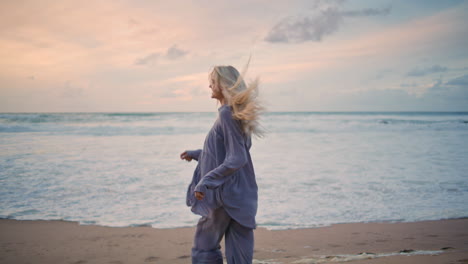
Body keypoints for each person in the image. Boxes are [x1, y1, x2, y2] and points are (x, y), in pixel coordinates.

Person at [180, 64, 263, 264]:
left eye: (213, 81)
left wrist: (206, 181)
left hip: (224, 196)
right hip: (242, 195)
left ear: (222, 85)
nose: (209, 86)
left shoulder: (226, 113)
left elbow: (237, 158)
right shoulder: (237, 115)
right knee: (240, 256)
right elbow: (227, 154)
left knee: (203, 247)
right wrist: (198, 154)